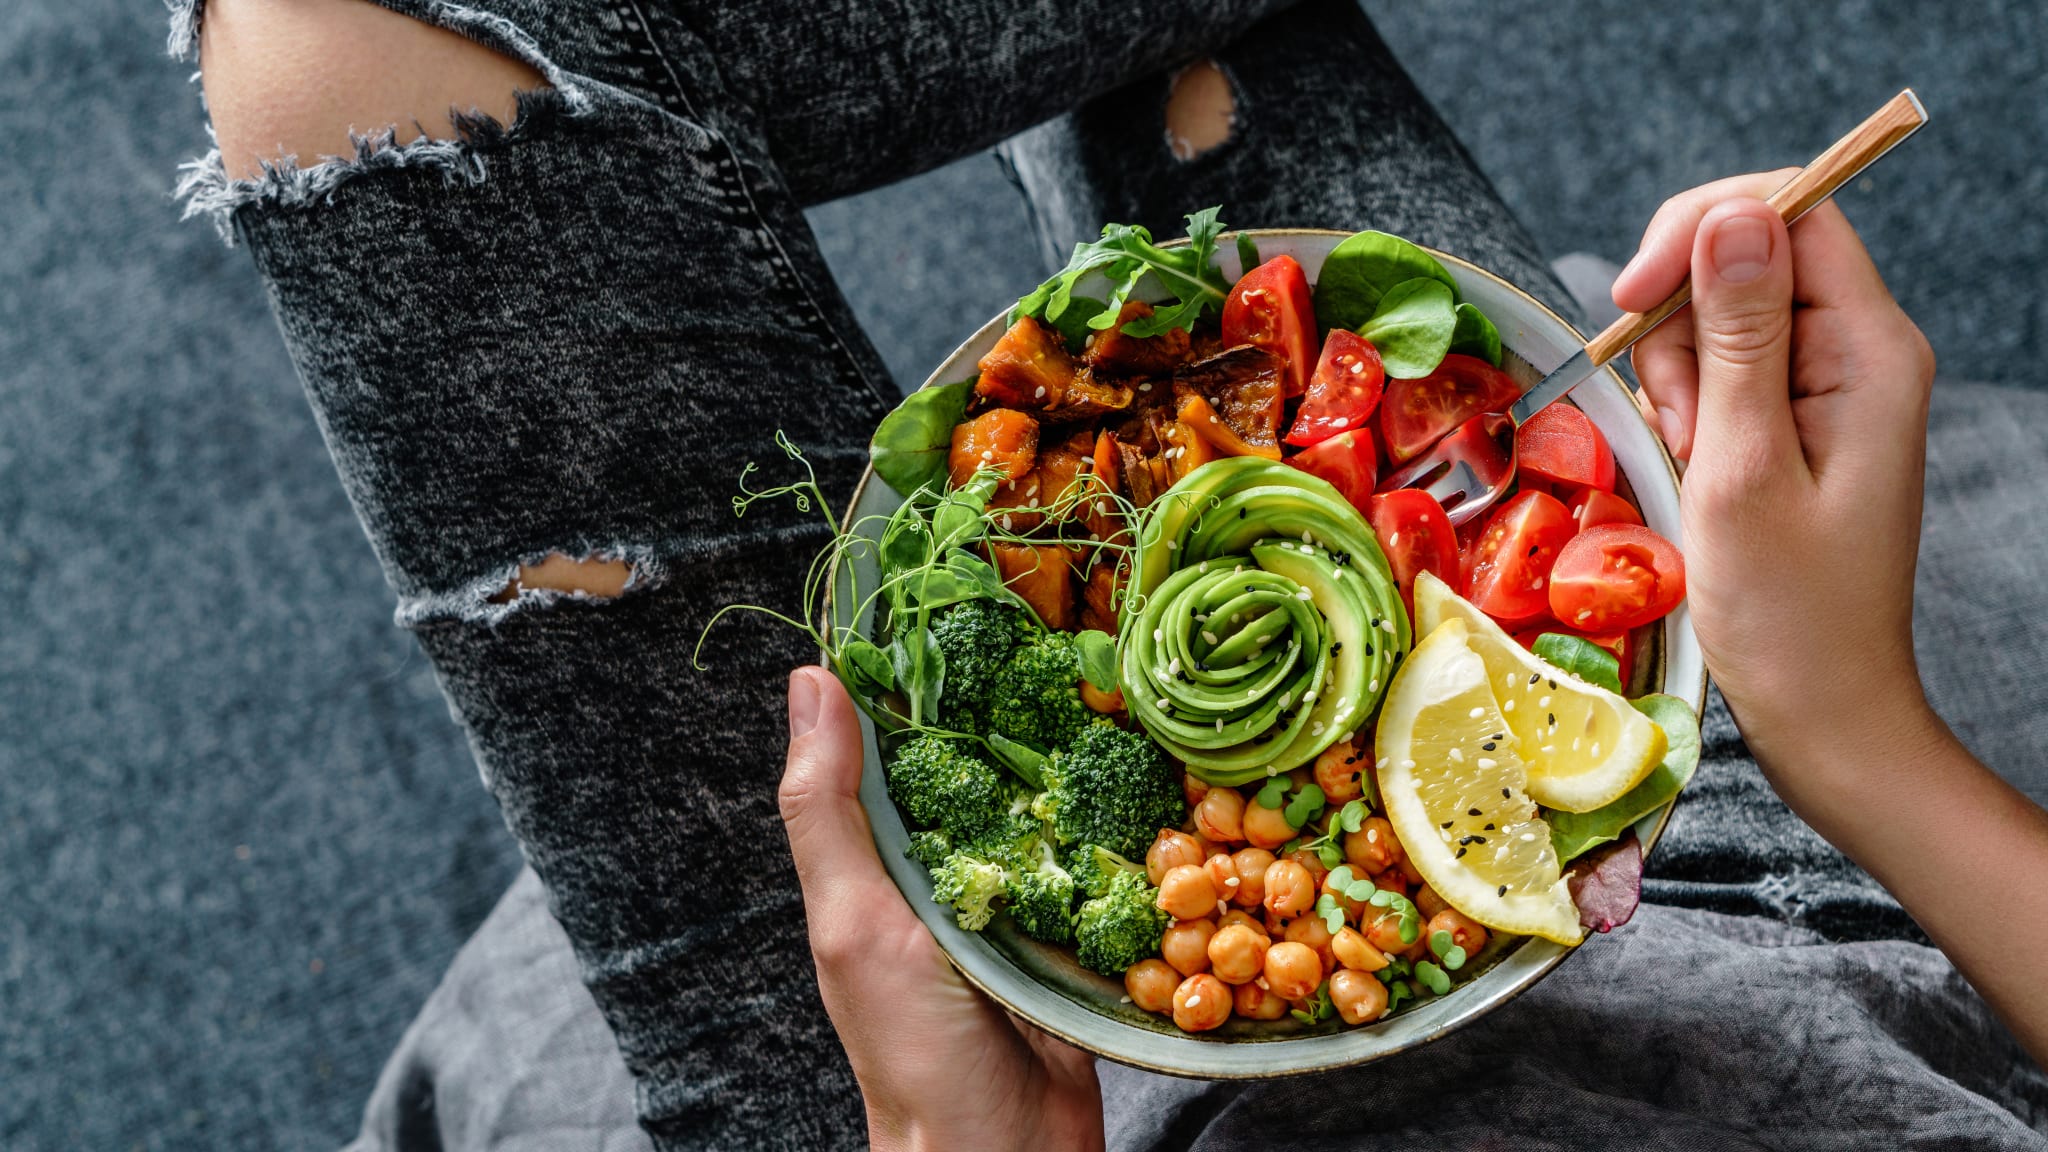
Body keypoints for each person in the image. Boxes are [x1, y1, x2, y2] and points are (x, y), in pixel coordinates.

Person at [175, 0, 2048, 1148]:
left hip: (1000, 1099)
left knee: (337, 47)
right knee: (1202, 102)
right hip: (1695, 872)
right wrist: (1853, 729)